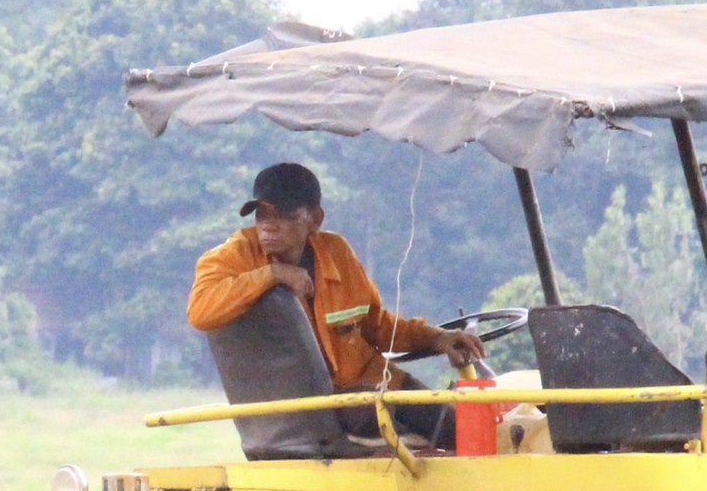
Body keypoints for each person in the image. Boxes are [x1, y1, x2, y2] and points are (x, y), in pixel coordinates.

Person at [189, 162, 486, 442]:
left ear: (315, 220)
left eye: (286, 216)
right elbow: (200, 312)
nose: (269, 226)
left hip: (373, 384)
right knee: (379, 421)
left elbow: (377, 326)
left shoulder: (337, 253)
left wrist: (438, 338)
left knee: (457, 429)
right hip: (303, 408)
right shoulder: (233, 257)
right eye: (262, 215)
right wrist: (271, 274)